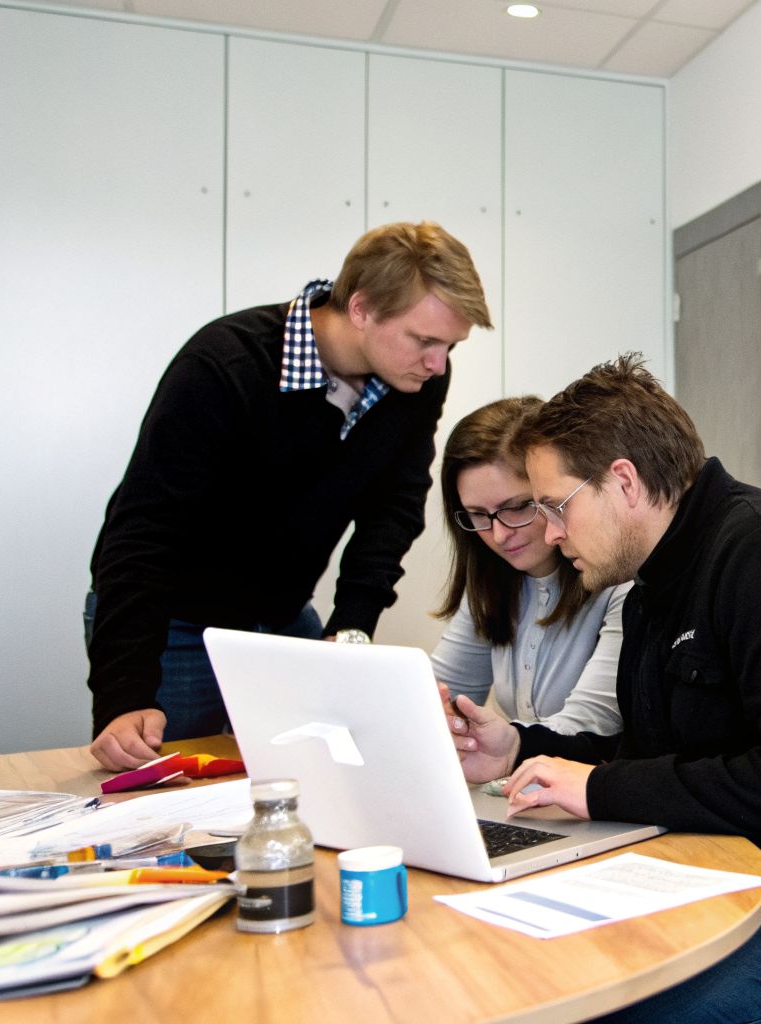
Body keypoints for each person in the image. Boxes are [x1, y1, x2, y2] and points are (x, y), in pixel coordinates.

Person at [445, 354, 761, 1023]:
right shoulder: (655, 583)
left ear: (624, 482)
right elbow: (653, 751)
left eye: (555, 506)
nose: (547, 532)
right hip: (747, 879)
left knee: (603, 1010)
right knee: (535, 970)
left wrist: (597, 789)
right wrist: (518, 747)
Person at [85, 221, 493, 771]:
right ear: (362, 308)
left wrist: (352, 625)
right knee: (169, 797)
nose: (439, 364)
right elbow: (142, 532)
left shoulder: (414, 381)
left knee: (317, 783)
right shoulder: (224, 366)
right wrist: (125, 693)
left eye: (450, 345)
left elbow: (393, 508)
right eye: (424, 340)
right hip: (174, 622)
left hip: (279, 618)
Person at [429, 396, 627, 737]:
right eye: (479, 515)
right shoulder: (492, 583)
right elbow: (436, 700)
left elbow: (592, 725)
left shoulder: (618, 577)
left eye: (518, 507)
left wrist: (504, 744)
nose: (500, 534)